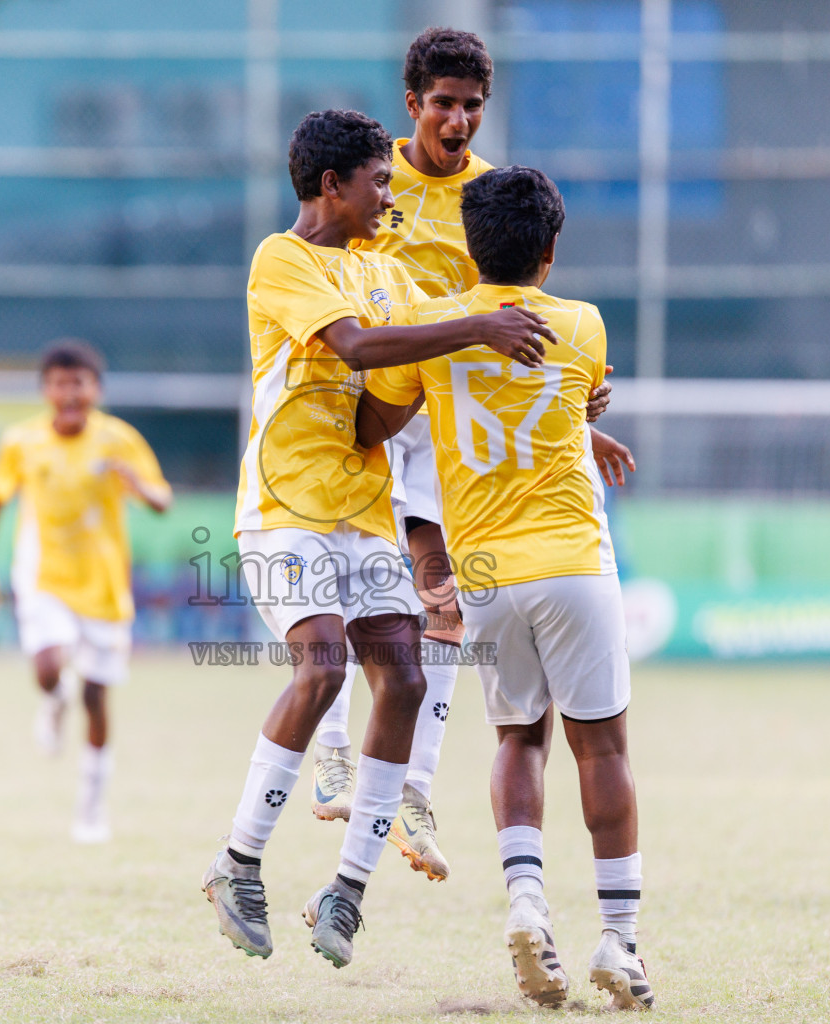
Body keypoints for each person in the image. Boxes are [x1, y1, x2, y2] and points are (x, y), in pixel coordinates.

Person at [201, 108, 560, 970]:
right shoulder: (282, 258)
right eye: (378, 181)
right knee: (324, 667)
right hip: (285, 505)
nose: (390, 196)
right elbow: (359, 348)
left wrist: (570, 399)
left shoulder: (386, 273)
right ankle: (238, 862)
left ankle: (347, 889)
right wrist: (472, 329)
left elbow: (404, 382)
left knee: (402, 678)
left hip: (364, 509)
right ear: (333, 186)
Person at [310, 26, 636, 885]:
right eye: (444, 104)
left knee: (445, 605)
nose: (458, 121)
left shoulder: (490, 196)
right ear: (412, 104)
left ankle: (412, 788)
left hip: (439, 420)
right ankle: (333, 750)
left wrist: (576, 417)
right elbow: (314, 262)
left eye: (473, 106)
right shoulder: (367, 177)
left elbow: (511, 331)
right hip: (363, 398)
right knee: (339, 579)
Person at [356, 166, 653, 1009]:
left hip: (485, 573)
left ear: (469, 244)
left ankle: (527, 901)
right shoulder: (583, 324)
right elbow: (573, 397)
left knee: (519, 741)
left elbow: (379, 422)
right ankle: (620, 941)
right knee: (603, 750)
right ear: (551, 250)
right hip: (573, 564)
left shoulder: (434, 330)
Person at [0, 340, 171, 844]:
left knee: (97, 696)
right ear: (46, 390)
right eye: (60, 384)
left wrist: (138, 484)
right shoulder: (22, 441)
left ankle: (91, 806)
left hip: (103, 585)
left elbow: (162, 499)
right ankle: (54, 699)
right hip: (44, 575)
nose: (70, 393)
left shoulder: (118, 440)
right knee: (47, 666)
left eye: (79, 383)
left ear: (95, 389)